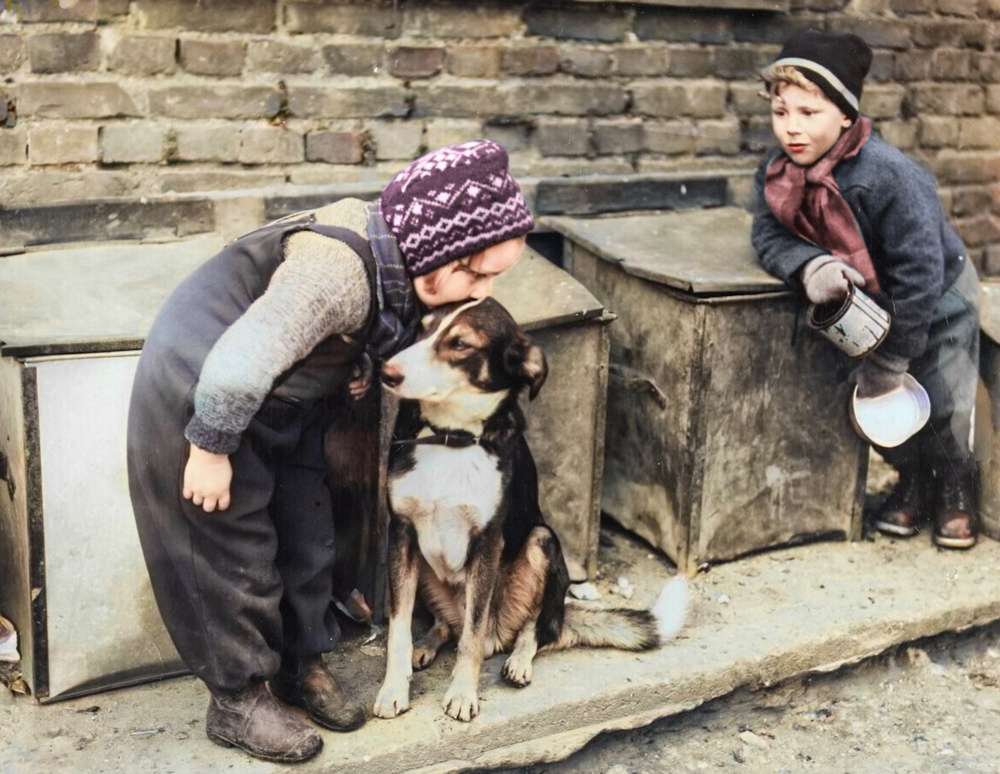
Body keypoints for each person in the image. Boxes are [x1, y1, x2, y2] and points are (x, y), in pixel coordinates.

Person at [126, 140, 533, 763]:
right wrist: (208, 449)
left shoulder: (398, 267)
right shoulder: (335, 270)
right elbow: (240, 364)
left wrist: (358, 366)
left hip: (281, 401)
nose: (481, 290)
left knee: (306, 527)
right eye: (475, 274)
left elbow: (353, 330)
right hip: (203, 394)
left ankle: (300, 665)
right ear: (432, 250)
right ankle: (238, 700)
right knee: (231, 546)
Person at [751, 30, 981, 550]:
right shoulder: (778, 175)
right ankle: (913, 483)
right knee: (877, 408)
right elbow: (767, 233)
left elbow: (919, 270)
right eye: (780, 112)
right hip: (867, 306)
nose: (791, 128)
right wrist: (809, 266)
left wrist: (892, 359)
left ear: (847, 116)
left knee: (940, 398)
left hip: (937, 296)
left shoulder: (889, 176)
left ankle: (956, 492)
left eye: (809, 113)